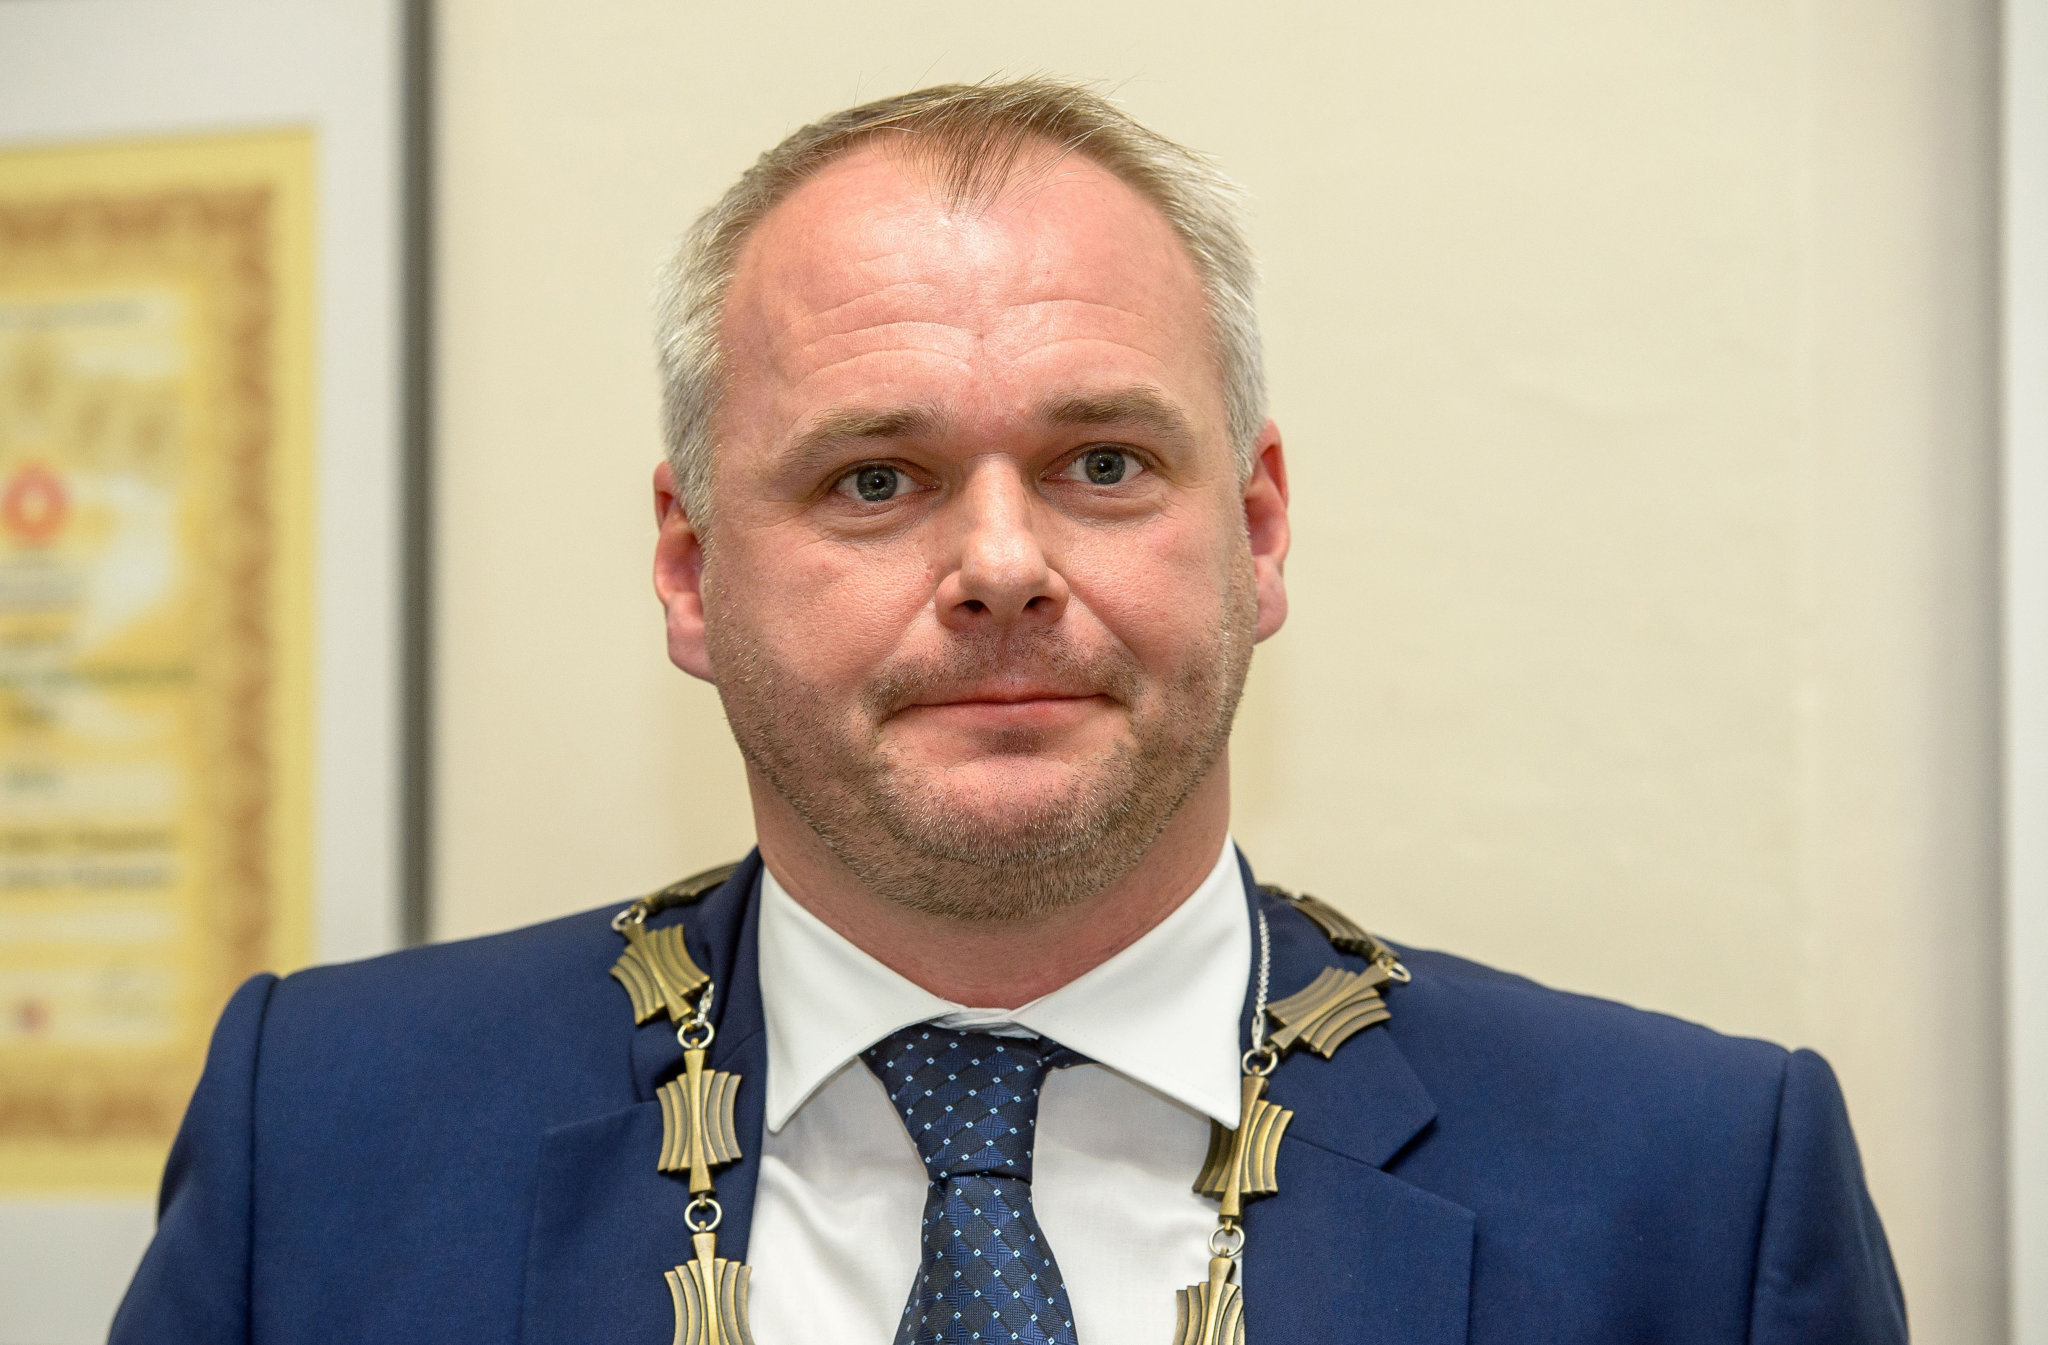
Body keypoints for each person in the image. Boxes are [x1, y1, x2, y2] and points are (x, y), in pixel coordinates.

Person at [112, 79, 1906, 1345]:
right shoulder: (330, 1137)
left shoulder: (1691, 1194)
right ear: (690, 566)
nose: (1001, 566)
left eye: (1102, 461)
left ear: (1259, 532)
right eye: (875, 479)